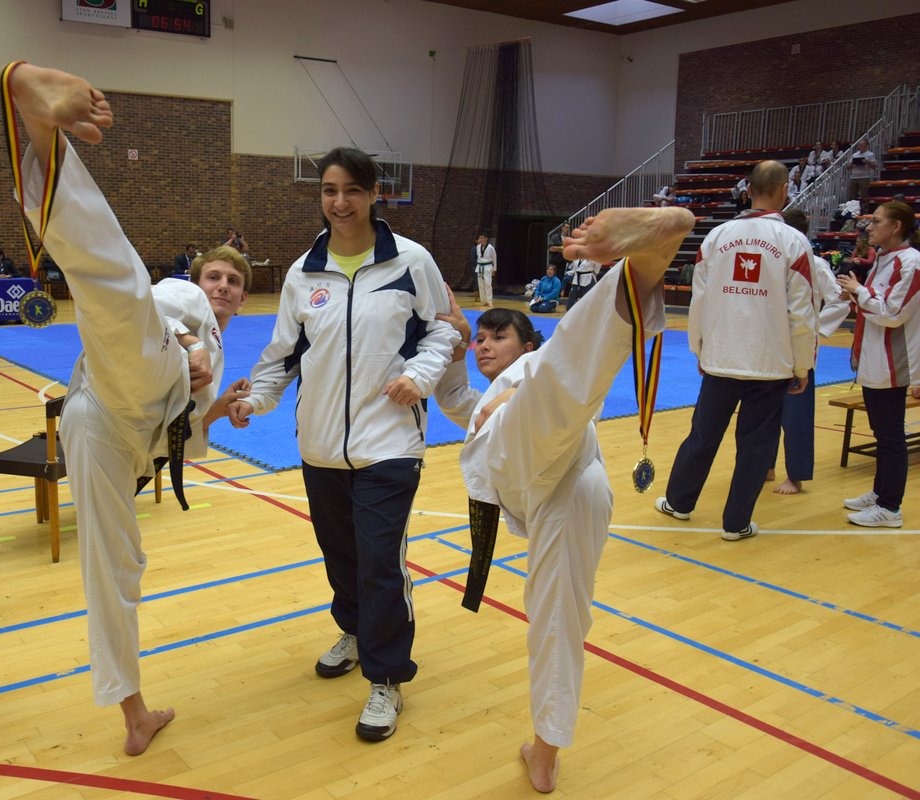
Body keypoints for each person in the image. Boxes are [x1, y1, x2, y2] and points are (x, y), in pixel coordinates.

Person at [5, 62, 252, 756]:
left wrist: (213, 412)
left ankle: (133, 712)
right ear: (199, 276)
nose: (224, 287)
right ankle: (39, 121)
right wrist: (183, 344)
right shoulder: (185, 298)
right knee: (114, 283)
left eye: (235, 282)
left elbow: (179, 441)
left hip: (112, 428)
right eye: (216, 275)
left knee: (115, 569)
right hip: (122, 391)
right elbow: (159, 312)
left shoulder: (219, 351)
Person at [433, 205, 697, 794]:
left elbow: (542, 382)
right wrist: (453, 344)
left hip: (548, 461)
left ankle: (643, 258)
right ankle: (546, 749)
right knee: (557, 620)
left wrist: (501, 402)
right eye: (480, 337)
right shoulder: (491, 395)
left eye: (496, 335)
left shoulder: (527, 371)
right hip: (570, 490)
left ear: (525, 339)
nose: (483, 345)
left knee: (557, 381)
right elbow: (458, 403)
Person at [228, 146, 459, 743]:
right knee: (342, 556)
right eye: (330, 191)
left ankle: (387, 678)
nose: (340, 202)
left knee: (381, 563)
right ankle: (354, 631)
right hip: (321, 447)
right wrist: (253, 401)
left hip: (390, 445)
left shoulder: (412, 261)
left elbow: (441, 330)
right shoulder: (303, 273)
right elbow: (281, 358)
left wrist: (423, 376)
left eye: (352, 190)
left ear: (374, 193)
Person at [655, 160, 817, 541]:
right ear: (784, 191)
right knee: (756, 444)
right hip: (770, 363)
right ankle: (736, 523)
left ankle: (679, 503)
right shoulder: (794, 242)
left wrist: (699, 349)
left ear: (748, 191)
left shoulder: (717, 237)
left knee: (702, 435)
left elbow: (700, 301)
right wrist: (803, 366)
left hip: (722, 357)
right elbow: (802, 313)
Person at [834, 200, 919, 527]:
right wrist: (854, 294)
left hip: (894, 362)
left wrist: (860, 292)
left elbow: (894, 315)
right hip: (874, 357)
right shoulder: (885, 258)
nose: (870, 227)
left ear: (896, 226)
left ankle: (890, 507)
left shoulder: (911, 264)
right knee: (882, 432)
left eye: (878, 221)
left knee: (891, 435)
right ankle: (880, 491)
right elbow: (877, 305)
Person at [768, 208, 848, 494]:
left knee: (795, 416)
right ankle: (766, 465)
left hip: (798, 349)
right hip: (769, 347)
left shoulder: (816, 264)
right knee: (763, 412)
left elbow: (841, 301)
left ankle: (796, 476)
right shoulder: (771, 260)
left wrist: (817, 329)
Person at [473, 232, 497, 307]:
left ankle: (489, 301)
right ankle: (483, 301)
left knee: (488, 284)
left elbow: (494, 259)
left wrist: (494, 269)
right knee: (481, 285)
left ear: (486, 239)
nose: (480, 240)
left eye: (482, 238)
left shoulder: (490, 248)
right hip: (480, 267)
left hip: (487, 267)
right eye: (480, 238)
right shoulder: (477, 247)